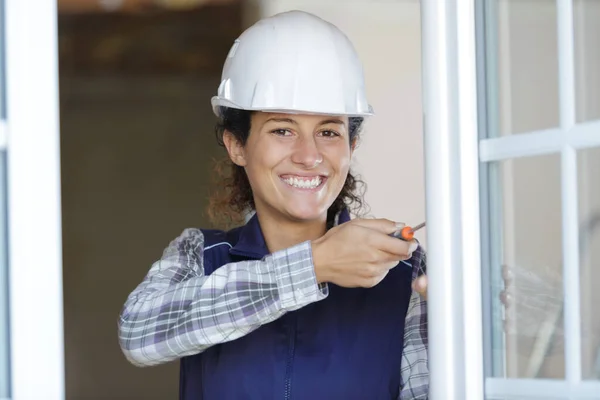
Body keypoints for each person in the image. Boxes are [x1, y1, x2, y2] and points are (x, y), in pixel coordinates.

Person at [118, 10, 429, 399]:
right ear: (237, 145)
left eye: (329, 132)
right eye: (282, 130)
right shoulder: (200, 255)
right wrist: (316, 265)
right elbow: (139, 334)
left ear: (351, 147)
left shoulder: (404, 275)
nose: (309, 155)